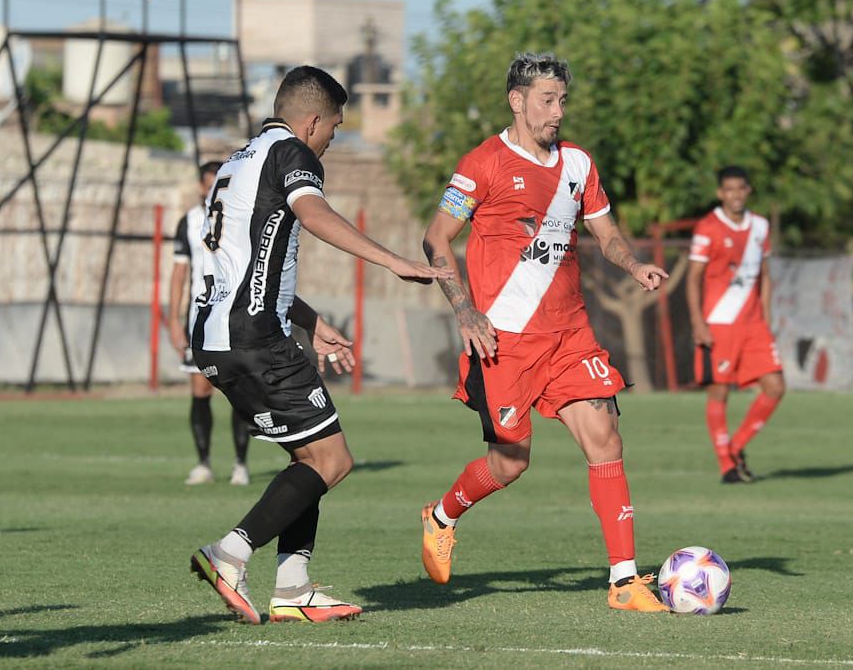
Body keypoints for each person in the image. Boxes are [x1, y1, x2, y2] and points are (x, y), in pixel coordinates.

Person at [187, 66, 452, 625]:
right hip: (255, 337)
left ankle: (293, 588)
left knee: (305, 459)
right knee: (332, 459)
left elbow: (245, 260)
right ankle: (229, 554)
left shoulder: (237, 161)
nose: (333, 136)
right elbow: (313, 214)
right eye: (334, 125)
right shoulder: (294, 155)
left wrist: (307, 319)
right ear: (312, 120)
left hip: (217, 335)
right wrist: (394, 260)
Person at [419, 52, 671, 613]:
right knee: (511, 462)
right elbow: (436, 239)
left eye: (562, 100)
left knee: (605, 438)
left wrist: (633, 265)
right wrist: (465, 311)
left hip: (570, 334)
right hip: (504, 339)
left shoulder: (579, 165)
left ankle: (624, 581)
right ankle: (441, 515)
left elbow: (606, 234)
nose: (557, 111)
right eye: (547, 100)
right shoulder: (481, 164)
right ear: (517, 100)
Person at [685, 165, 786, 484]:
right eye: (729, 189)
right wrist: (698, 323)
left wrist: (767, 320)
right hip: (719, 323)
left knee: (775, 387)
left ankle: (736, 447)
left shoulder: (760, 226)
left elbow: (766, 277)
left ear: (748, 191)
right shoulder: (708, 227)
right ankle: (726, 466)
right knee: (719, 392)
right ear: (720, 193)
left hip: (754, 323)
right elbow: (693, 278)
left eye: (741, 188)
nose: (736, 195)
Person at [170, 161, 253, 486]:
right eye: (207, 185)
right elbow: (179, 274)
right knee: (200, 389)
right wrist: (174, 320)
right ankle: (203, 463)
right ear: (202, 187)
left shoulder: (242, 217)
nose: (211, 191)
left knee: (238, 392)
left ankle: (240, 465)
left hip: (235, 318)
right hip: (199, 319)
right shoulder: (189, 222)